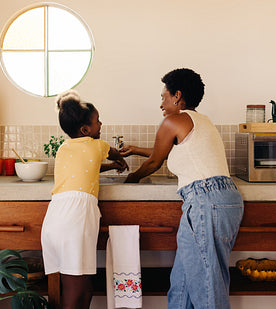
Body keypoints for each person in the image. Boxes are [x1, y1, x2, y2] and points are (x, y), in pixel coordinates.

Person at [121, 68, 244, 309]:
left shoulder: (172, 121)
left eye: (163, 97)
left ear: (177, 95)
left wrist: (132, 179)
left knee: (207, 287)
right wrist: (136, 150)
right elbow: (169, 152)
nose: (161, 104)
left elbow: (156, 161)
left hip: (205, 200)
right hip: (223, 198)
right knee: (183, 282)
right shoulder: (200, 121)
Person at [41, 91, 128, 309]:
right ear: (85, 130)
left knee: (84, 285)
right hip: (75, 220)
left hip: (55, 218)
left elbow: (88, 166)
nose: (101, 124)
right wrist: (120, 161)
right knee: (76, 288)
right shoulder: (97, 145)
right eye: (97, 121)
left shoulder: (64, 148)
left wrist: (110, 167)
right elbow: (114, 153)